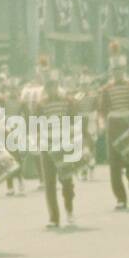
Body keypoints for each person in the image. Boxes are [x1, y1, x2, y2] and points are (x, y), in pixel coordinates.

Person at [98, 40, 129, 209]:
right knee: (114, 164)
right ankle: (120, 198)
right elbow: (102, 110)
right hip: (113, 126)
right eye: (114, 70)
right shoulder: (106, 89)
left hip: (128, 124)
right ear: (111, 71)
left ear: (124, 70)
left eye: (120, 70)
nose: (117, 73)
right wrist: (102, 123)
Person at [36, 67, 78, 228]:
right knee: (50, 182)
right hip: (47, 146)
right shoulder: (41, 104)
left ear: (58, 85)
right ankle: (54, 217)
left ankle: (69, 209)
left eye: (54, 85)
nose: (52, 89)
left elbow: (75, 121)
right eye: (49, 86)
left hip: (64, 144)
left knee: (66, 180)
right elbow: (36, 124)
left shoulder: (67, 101)